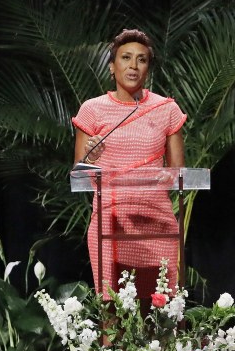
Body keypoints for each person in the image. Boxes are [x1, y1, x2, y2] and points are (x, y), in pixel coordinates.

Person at [72, 29, 187, 302]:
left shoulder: (166, 109)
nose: (133, 66)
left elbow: (178, 174)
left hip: (156, 225)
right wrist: (93, 158)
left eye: (142, 59)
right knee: (113, 315)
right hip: (110, 226)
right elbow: (80, 174)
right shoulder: (92, 110)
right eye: (126, 58)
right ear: (112, 67)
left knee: (162, 314)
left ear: (148, 68)